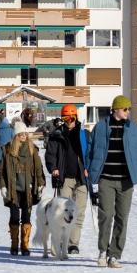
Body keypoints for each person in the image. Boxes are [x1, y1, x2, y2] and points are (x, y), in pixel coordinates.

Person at [87, 95, 137, 268]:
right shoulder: (100, 127)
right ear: (116, 109)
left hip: (126, 181)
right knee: (105, 216)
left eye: (129, 109)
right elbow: (90, 150)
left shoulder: (134, 129)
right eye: (125, 109)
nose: (128, 112)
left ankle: (115, 254)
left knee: (122, 218)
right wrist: (91, 170)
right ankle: (102, 251)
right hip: (106, 179)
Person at [44, 104, 90, 254]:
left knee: (79, 212)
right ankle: (60, 242)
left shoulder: (85, 134)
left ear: (75, 117)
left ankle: (73, 244)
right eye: (65, 118)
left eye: (71, 117)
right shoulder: (57, 135)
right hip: (65, 178)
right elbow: (50, 155)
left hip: (82, 178)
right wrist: (53, 168)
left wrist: (89, 168)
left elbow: (92, 153)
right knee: (62, 212)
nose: (68, 121)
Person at [0, 120, 46, 256]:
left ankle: (25, 245)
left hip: (28, 190)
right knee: (14, 217)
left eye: (25, 133)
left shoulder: (32, 150)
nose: (24, 136)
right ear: (16, 136)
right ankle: (14, 244)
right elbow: (2, 171)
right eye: (21, 134)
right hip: (14, 189)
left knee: (26, 217)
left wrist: (41, 184)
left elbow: (38, 168)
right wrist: (3, 186)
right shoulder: (8, 150)